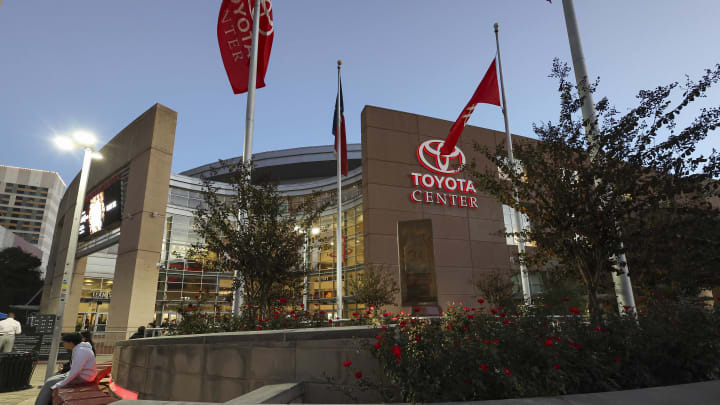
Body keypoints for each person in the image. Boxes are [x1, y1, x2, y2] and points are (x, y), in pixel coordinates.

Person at [35, 333, 97, 405]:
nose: (63, 344)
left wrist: (60, 384)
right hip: (81, 376)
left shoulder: (81, 351)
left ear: (70, 342)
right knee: (50, 381)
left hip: (83, 378)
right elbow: (74, 370)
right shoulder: (78, 349)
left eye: (64, 342)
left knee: (49, 383)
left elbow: (75, 372)